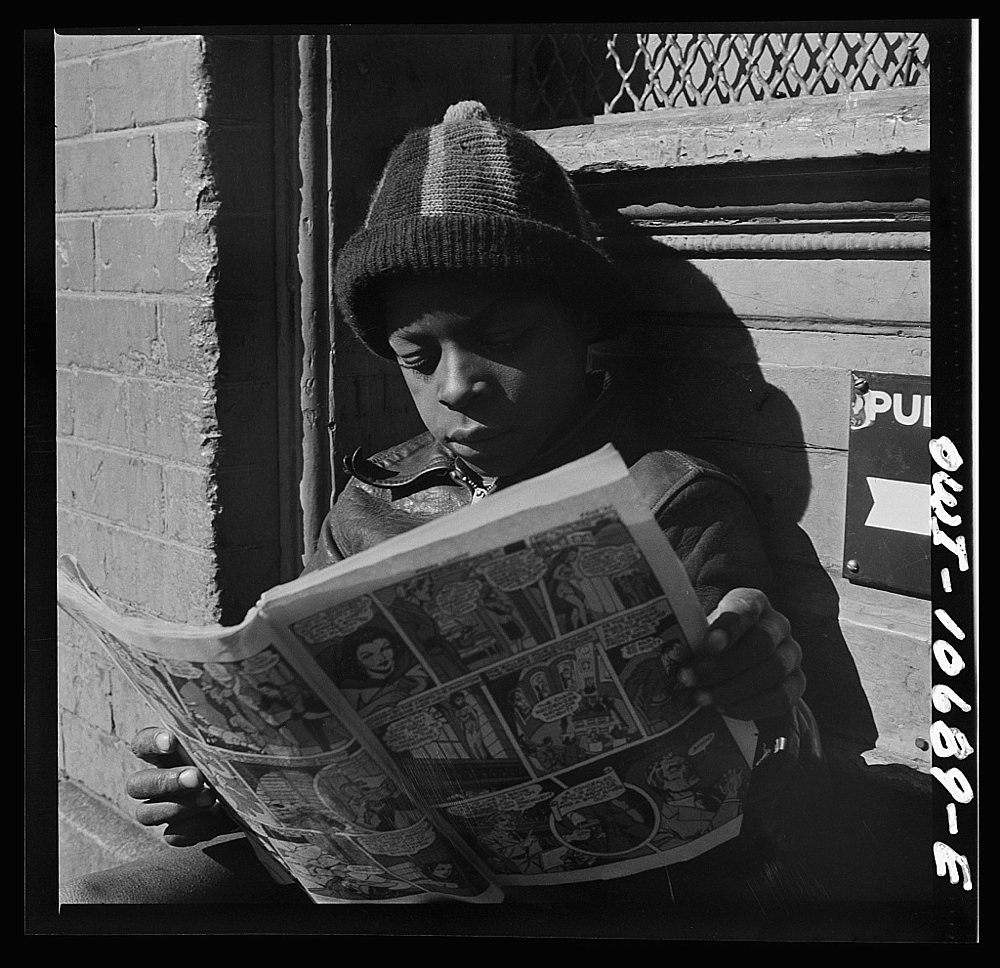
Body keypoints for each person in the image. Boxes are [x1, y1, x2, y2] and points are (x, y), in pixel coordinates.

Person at [111, 100, 819, 905]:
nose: (457, 388)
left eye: (507, 340)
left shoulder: (671, 501)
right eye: (418, 358)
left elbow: (784, 777)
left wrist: (769, 693)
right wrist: (229, 788)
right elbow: (314, 724)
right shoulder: (373, 498)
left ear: (581, 325)